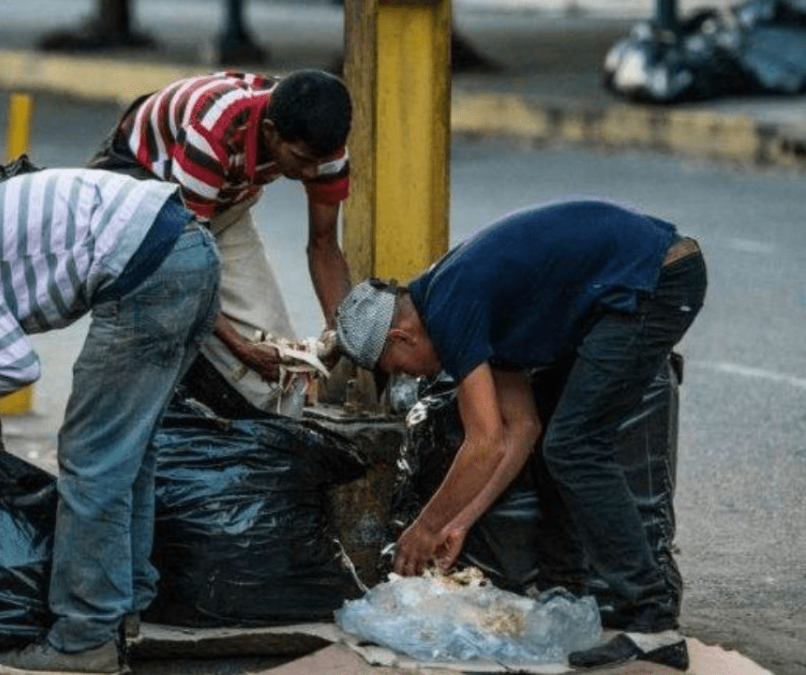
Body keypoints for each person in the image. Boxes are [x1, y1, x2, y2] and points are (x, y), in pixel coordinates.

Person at [0, 167, 220, 675]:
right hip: (189, 249)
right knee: (128, 452)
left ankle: (83, 639)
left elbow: (12, 365)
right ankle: (126, 611)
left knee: (91, 459)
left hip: (151, 266)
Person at [333, 199, 707, 671]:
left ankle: (652, 622)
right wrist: (460, 521)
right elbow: (520, 429)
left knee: (575, 446)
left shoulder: (451, 304)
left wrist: (425, 529)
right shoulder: (455, 301)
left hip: (659, 277)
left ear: (401, 337)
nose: (408, 378)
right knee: (557, 436)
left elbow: (484, 442)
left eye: (396, 370)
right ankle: (565, 592)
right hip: (631, 285)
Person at [88, 69, 352, 412]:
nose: (313, 173)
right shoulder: (213, 129)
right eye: (302, 161)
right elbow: (184, 262)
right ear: (271, 133)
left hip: (220, 202)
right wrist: (242, 348)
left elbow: (324, 244)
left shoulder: (325, 149)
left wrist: (340, 332)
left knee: (285, 374)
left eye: (321, 162)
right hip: (144, 191)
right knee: (164, 329)